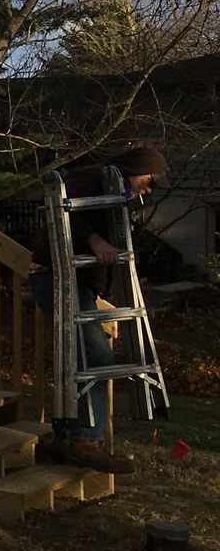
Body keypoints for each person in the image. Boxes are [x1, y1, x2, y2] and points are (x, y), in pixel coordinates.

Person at [31, 145, 168, 475]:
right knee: (95, 355)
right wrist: (95, 241)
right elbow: (59, 211)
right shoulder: (91, 179)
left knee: (74, 358)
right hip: (58, 277)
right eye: (149, 182)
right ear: (136, 169)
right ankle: (85, 441)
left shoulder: (115, 188)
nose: (148, 190)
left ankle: (64, 440)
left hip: (77, 281)